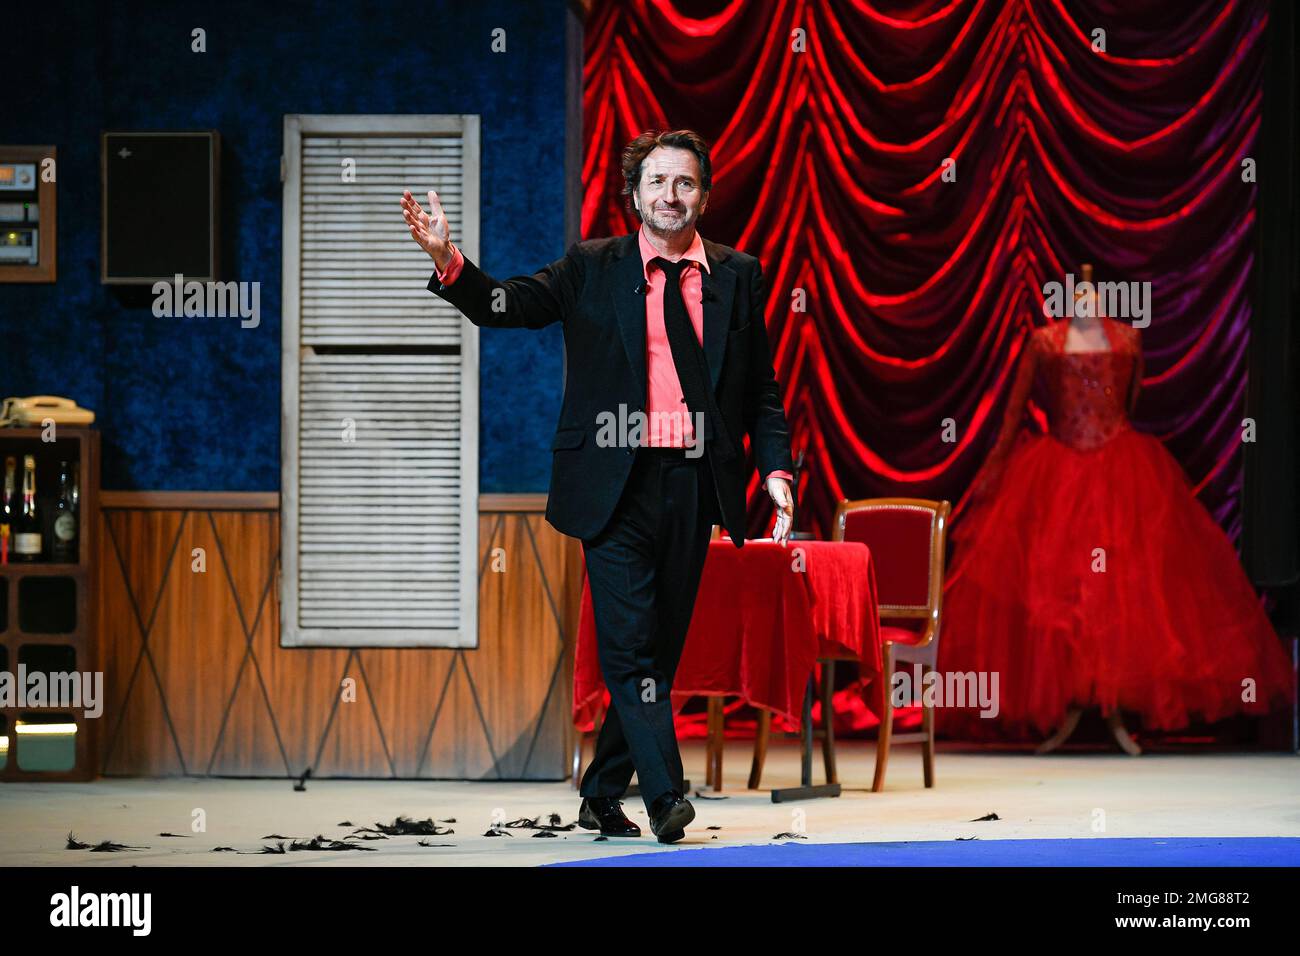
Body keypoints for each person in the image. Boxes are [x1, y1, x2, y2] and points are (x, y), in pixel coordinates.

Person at [401, 129, 795, 842]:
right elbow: (509, 306)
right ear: (633, 195)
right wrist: (449, 261)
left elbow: (761, 387)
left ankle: (601, 790)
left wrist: (775, 468)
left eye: (684, 183)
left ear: (703, 194)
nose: (670, 196)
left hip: (695, 482)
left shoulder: (738, 274)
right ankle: (667, 795)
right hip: (612, 482)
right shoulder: (592, 265)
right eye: (656, 183)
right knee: (629, 647)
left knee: (661, 649)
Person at [938, 268, 1294, 747]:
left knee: (1125, 595)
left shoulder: (1122, 337)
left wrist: (998, 470)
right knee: (1062, 594)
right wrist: (994, 476)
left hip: (1120, 471)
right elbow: (1018, 411)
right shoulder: (1049, 341)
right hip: (1058, 471)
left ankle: (1110, 709)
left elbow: (1118, 400)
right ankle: (1075, 707)